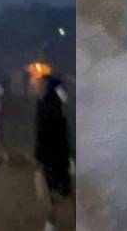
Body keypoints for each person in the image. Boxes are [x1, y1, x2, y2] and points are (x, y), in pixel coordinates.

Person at [34, 75, 73, 231]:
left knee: (57, 193)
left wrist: (39, 157)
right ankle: (51, 224)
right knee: (62, 191)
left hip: (54, 157)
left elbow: (44, 134)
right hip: (57, 157)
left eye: (40, 84)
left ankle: (51, 224)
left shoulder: (49, 106)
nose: (36, 86)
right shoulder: (50, 105)